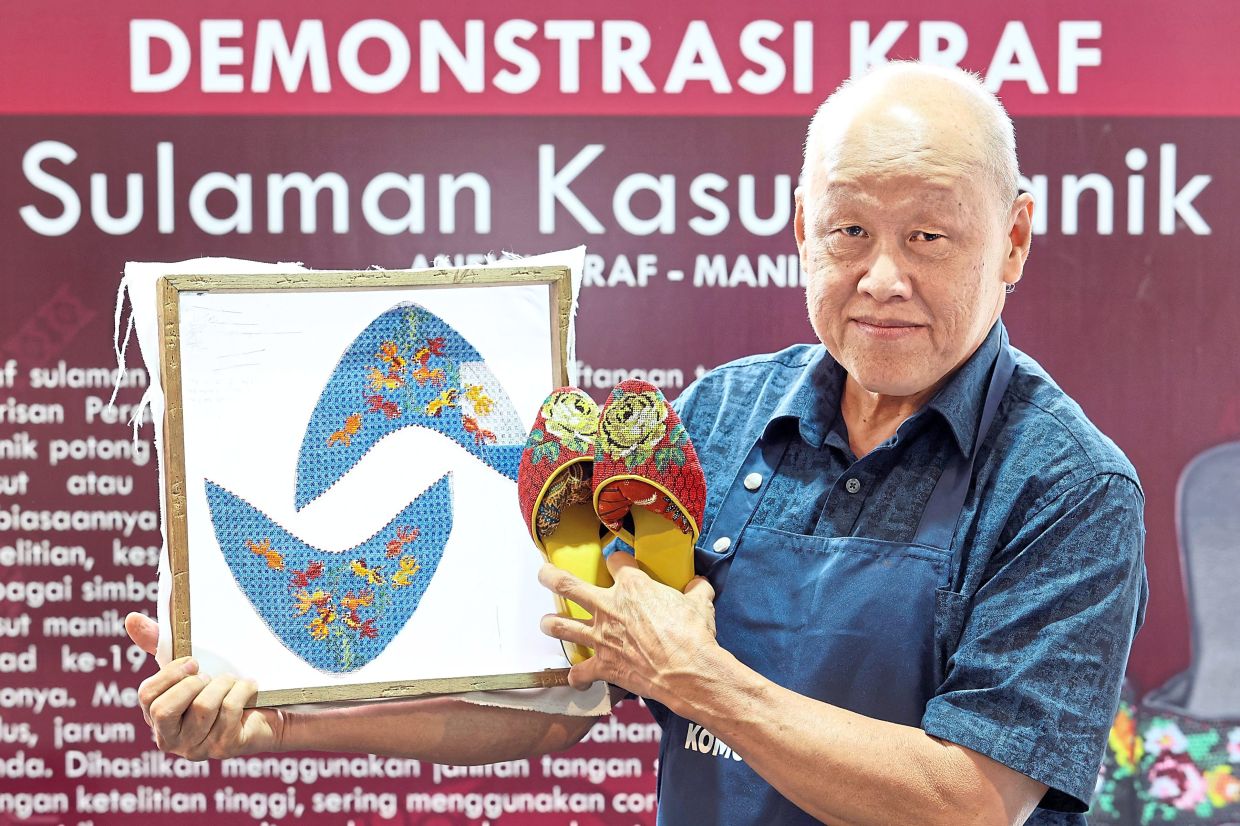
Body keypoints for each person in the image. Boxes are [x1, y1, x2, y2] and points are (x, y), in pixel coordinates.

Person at [128, 61, 1147, 826]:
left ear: (1011, 238)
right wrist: (282, 718)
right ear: (800, 227)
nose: (880, 276)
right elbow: (561, 695)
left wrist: (696, 677)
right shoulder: (716, 419)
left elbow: (971, 798)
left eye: (927, 236)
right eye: (847, 233)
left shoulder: (1066, 486)